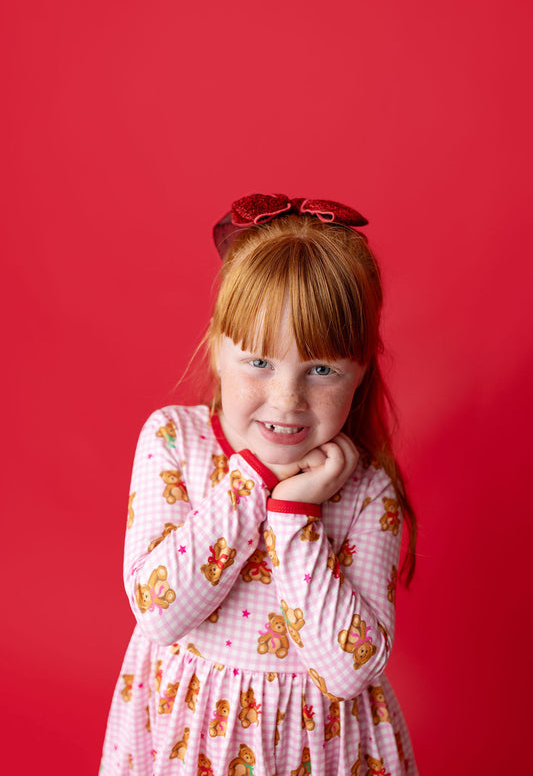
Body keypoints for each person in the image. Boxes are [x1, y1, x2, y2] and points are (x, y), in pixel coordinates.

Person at [100, 193, 418, 775]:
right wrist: (256, 477)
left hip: (323, 751)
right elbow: (160, 614)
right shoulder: (175, 442)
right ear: (219, 349)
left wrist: (297, 514)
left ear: (360, 372)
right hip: (190, 741)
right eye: (259, 362)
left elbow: (348, 672)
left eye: (321, 370)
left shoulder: (369, 489)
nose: (287, 400)